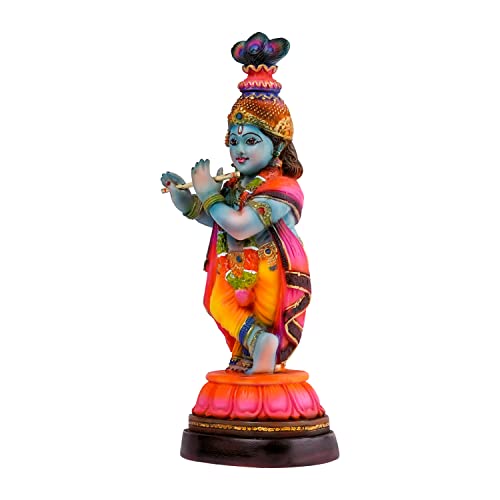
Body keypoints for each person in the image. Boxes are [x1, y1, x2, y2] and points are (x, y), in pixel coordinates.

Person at [161, 33, 311, 374]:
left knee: (264, 312)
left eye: (252, 141)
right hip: (233, 267)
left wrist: (209, 194)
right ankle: (257, 344)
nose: (239, 150)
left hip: (269, 269)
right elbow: (215, 218)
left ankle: (264, 352)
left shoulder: (282, 188)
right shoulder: (234, 184)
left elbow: (240, 225)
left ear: (277, 146)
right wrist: (186, 201)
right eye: (234, 140)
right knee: (218, 303)